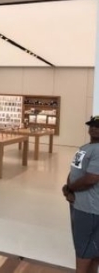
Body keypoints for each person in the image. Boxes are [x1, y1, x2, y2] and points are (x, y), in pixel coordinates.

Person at [62, 116, 99, 273]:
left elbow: (91, 178)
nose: (94, 129)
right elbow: (75, 171)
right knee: (91, 247)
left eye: (98, 126)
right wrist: (69, 188)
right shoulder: (85, 147)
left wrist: (71, 188)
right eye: (92, 125)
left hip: (89, 208)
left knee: (83, 248)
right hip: (80, 203)